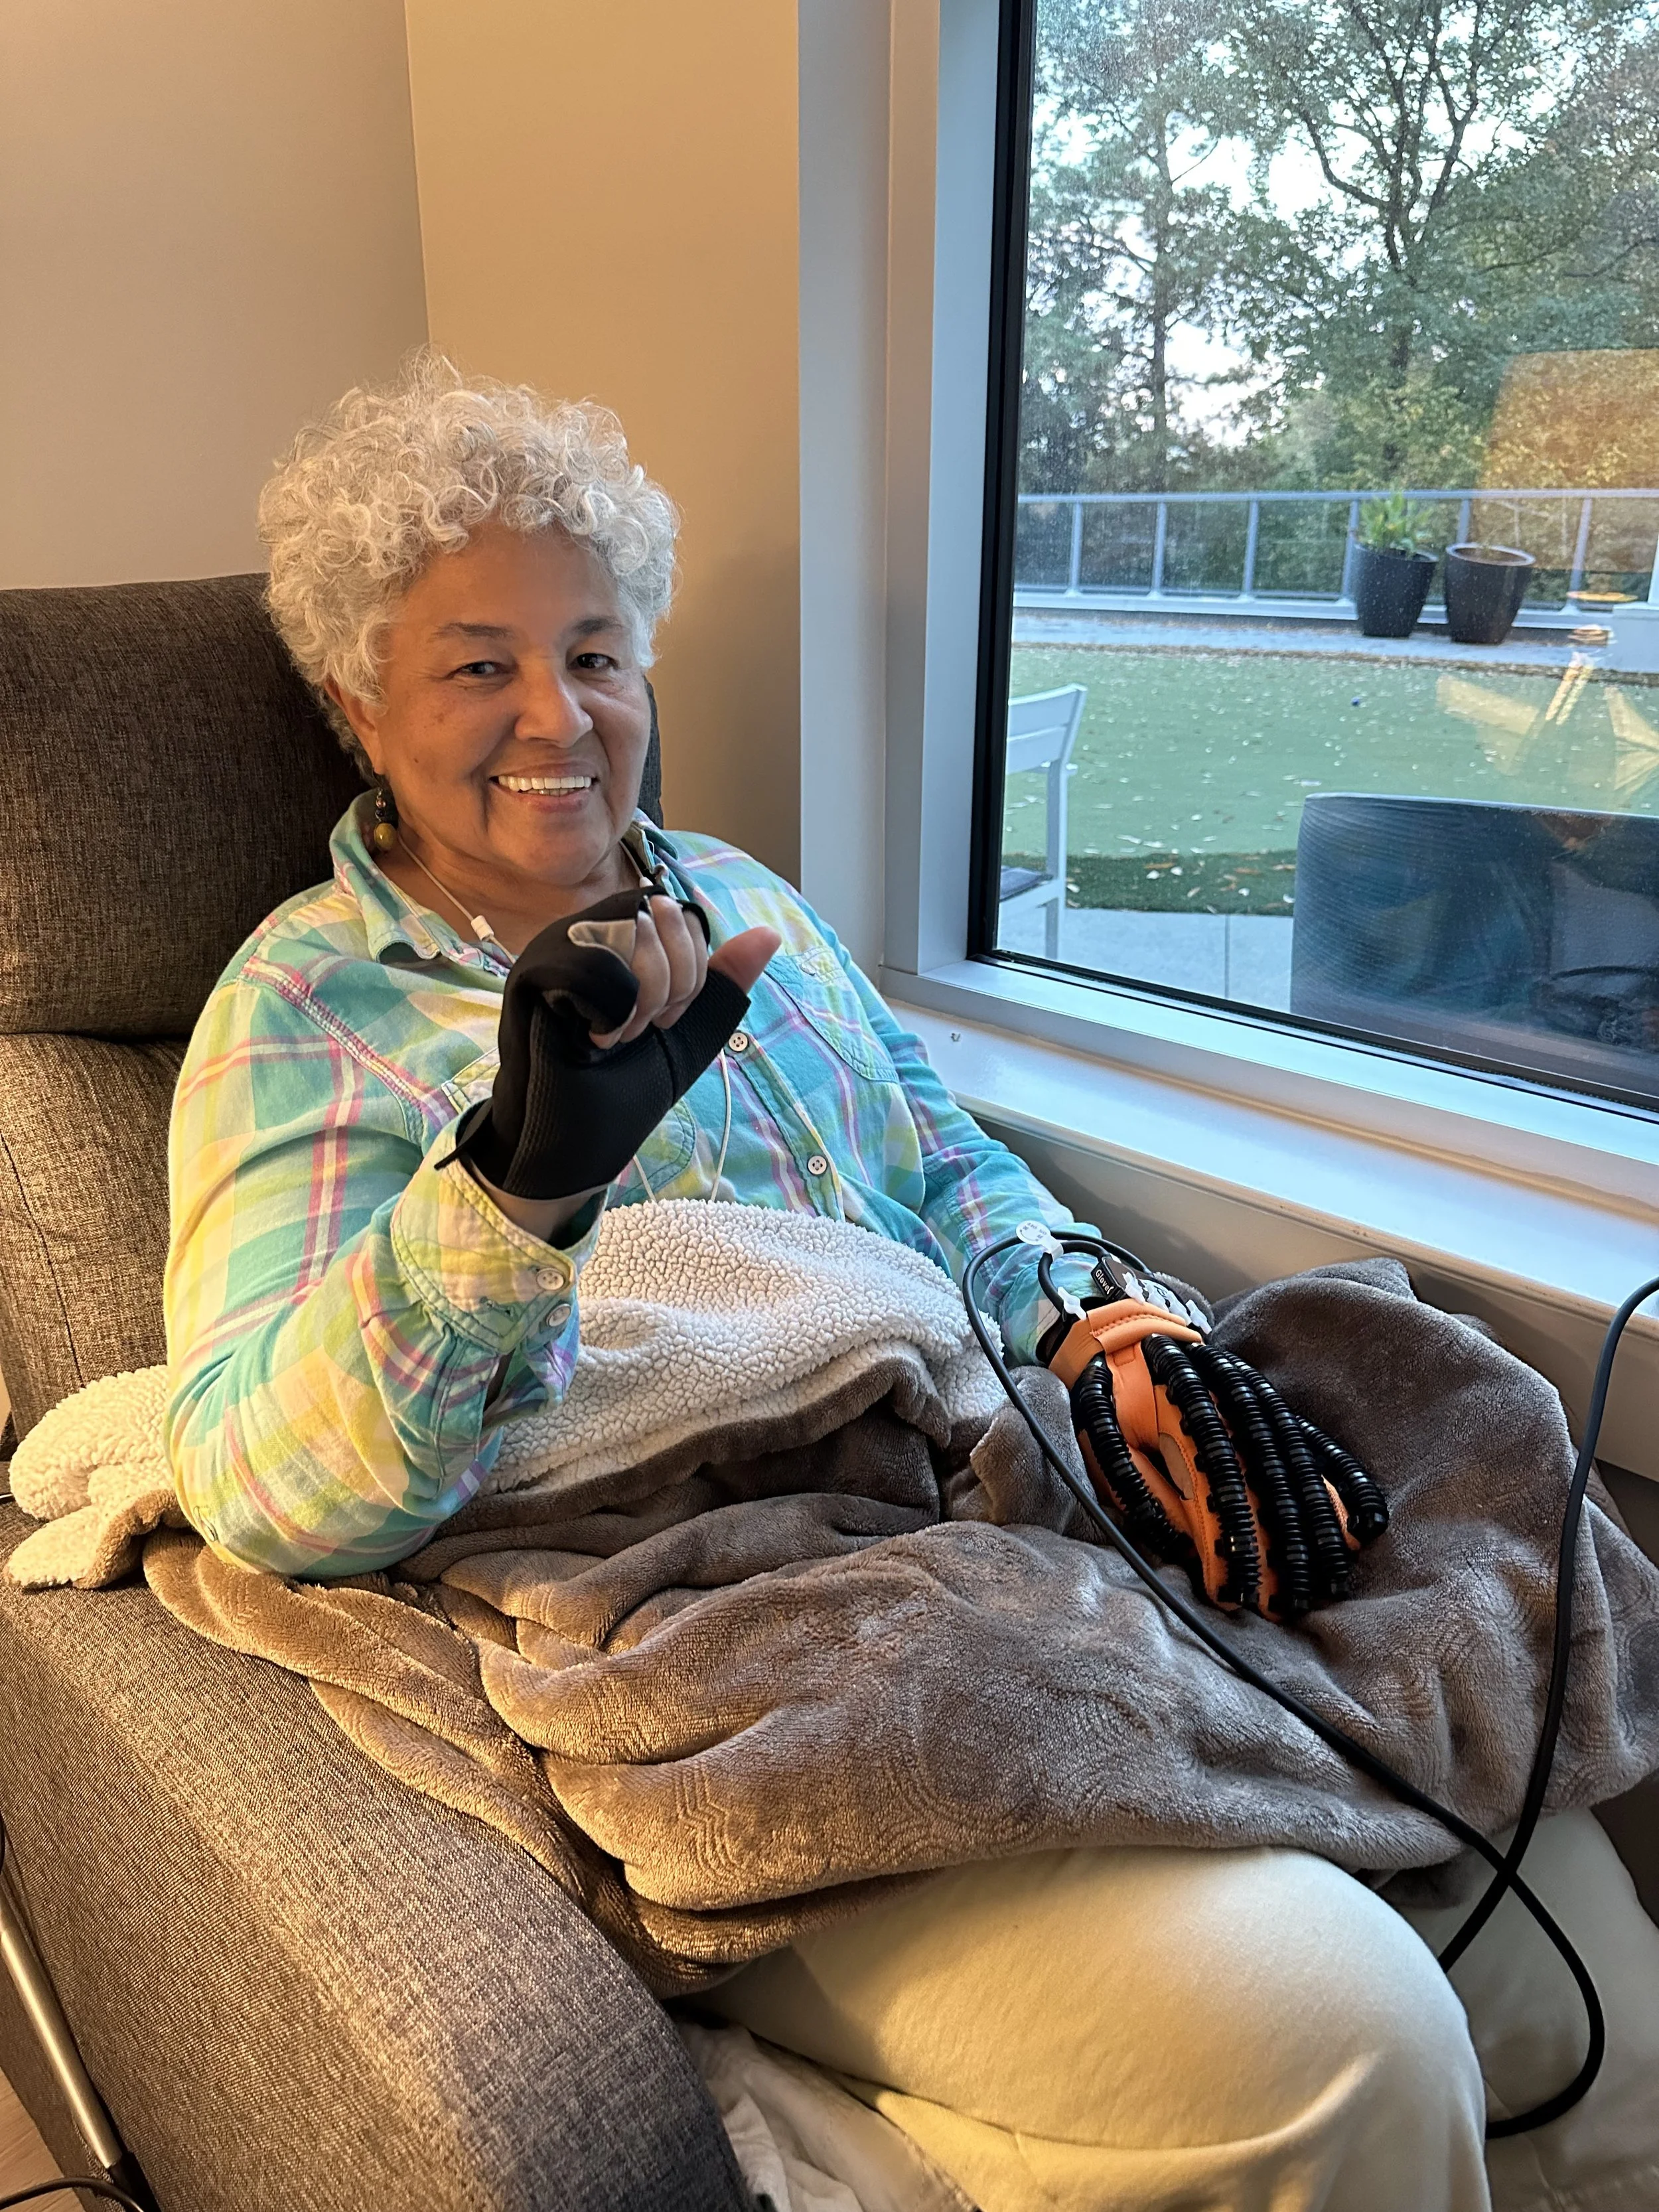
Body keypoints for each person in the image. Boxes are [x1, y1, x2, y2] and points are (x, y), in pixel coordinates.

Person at [163, 354, 1490, 2212]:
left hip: (984, 1530)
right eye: (478, 662)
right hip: (740, 1655)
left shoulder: (738, 902)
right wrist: (514, 1191)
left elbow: (947, 1174)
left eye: (598, 651)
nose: (559, 713)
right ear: (353, 707)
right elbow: (252, 1486)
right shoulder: (304, 1007)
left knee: (1539, 1901)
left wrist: (1100, 1319)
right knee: (1341, 2027)